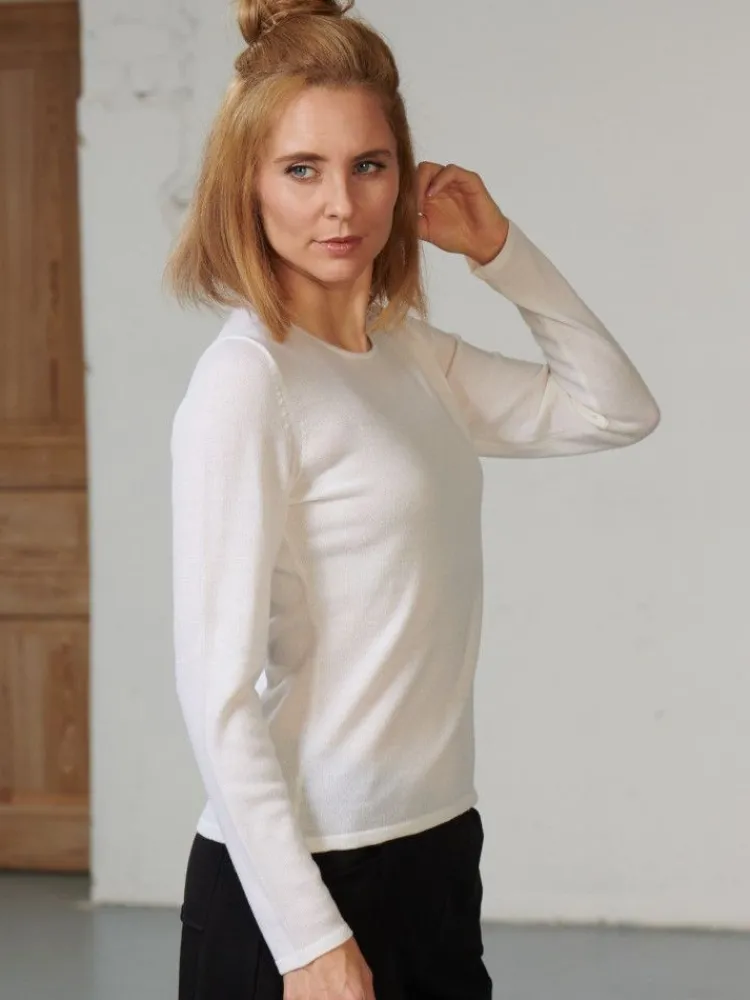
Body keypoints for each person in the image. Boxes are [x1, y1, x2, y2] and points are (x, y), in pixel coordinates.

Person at [165, 1, 660, 998]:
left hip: (434, 847)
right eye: (301, 169)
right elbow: (215, 692)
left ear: (402, 173)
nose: (341, 204)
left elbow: (614, 409)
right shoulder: (248, 381)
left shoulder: (407, 354)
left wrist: (501, 251)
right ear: (246, 183)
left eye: (368, 165)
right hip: (299, 878)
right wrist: (309, 939)